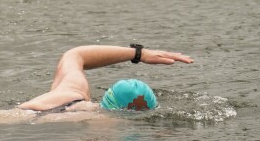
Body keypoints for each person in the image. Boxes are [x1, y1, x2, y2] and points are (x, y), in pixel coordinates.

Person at [16, 44, 193, 117]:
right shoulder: (103, 125)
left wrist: (140, 53)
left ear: (108, 96)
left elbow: (75, 54)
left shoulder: (71, 94)